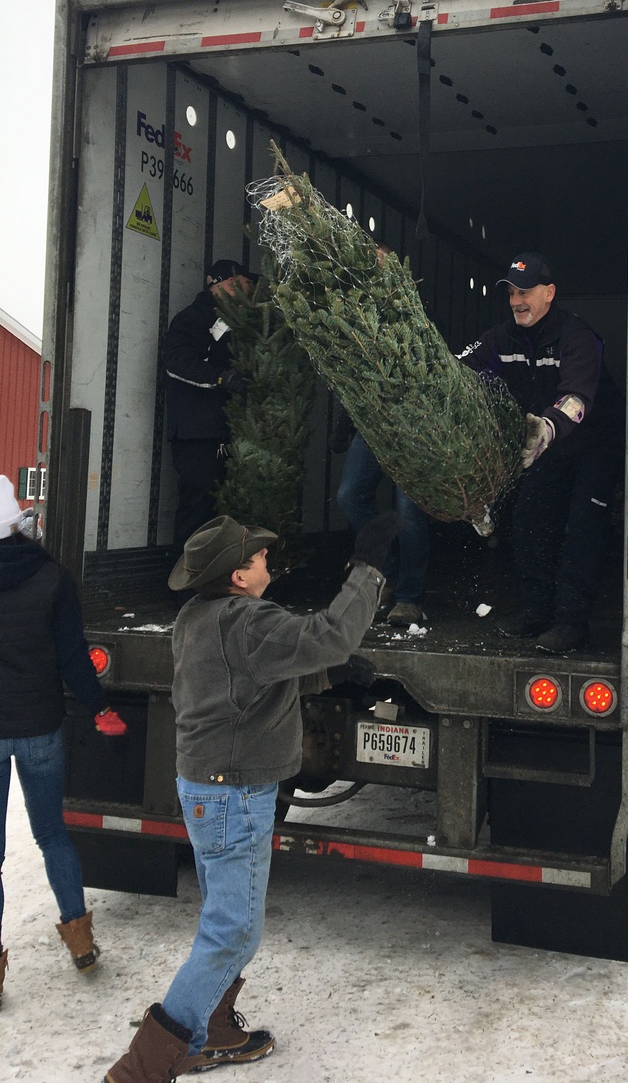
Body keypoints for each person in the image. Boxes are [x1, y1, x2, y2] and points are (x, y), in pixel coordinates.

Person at [102, 508, 399, 1083]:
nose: (268, 560)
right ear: (239, 576)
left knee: (230, 921)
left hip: (211, 791)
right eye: (259, 555)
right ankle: (140, 1071)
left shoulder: (199, 616)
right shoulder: (246, 621)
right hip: (233, 796)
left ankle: (210, 1031)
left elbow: (250, 680)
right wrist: (367, 568)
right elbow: (328, 634)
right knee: (232, 929)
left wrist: (330, 677)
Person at [0, 475, 127, 1006]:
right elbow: (73, 656)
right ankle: (79, 939)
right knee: (53, 835)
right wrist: (101, 710)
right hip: (40, 726)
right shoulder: (51, 576)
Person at [462, 251, 624, 654]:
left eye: (526, 292)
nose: (517, 301)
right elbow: (460, 367)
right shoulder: (503, 336)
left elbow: (577, 399)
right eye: (511, 293)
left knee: (582, 531)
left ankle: (571, 624)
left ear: (549, 293)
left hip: (591, 447)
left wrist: (547, 427)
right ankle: (536, 614)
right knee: (529, 522)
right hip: (546, 448)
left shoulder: (577, 337)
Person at [164, 259, 253, 553]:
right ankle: (184, 587)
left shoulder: (240, 322)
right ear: (223, 283)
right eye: (242, 282)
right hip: (197, 433)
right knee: (198, 506)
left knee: (220, 510)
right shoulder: (193, 318)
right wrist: (220, 378)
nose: (248, 288)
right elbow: (176, 363)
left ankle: (215, 583)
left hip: (226, 430)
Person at [336, 423, 430, 626]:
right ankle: (387, 573)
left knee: (409, 511)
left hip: (416, 421)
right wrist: (342, 425)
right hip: (373, 421)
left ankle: (409, 598)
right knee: (350, 496)